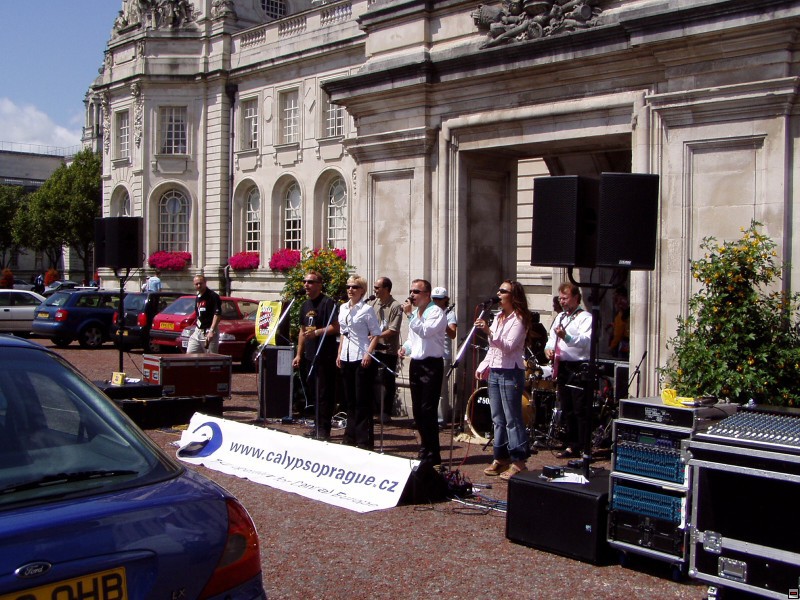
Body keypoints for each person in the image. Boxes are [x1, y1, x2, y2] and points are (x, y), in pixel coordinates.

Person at [475, 280, 533, 480]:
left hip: (511, 371)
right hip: (496, 370)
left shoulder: (519, 319)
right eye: (498, 291)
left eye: (503, 291)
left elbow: (508, 346)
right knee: (497, 417)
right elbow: (493, 348)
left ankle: (519, 461)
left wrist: (488, 331)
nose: (498, 294)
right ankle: (500, 457)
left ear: (513, 296)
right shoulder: (498, 316)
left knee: (512, 418)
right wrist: (484, 365)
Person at [399, 279, 447, 468]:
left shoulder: (436, 312)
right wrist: (405, 348)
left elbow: (425, 331)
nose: (412, 295)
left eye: (416, 292)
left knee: (428, 409)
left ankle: (433, 453)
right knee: (418, 410)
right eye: (411, 291)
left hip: (431, 365)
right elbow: (413, 338)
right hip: (416, 364)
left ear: (427, 294)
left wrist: (409, 315)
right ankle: (424, 447)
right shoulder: (417, 313)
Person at [544, 282, 593, 460]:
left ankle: (584, 446)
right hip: (563, 366)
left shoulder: (585, 317)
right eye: (560, 298)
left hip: (579, 367)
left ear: (576, 298)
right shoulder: (560, 317)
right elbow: (551, 338)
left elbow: (586, 342)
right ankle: (571, 444)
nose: (562, 301)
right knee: (567, 407)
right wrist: (548, 349)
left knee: (580, 408)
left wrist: (567, 337)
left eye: (565, 298)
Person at [292, 270, 340, 441]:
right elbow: (302, 330)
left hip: (325, 355)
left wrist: (318, 332)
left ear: (319, 285)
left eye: (310, 282)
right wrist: (299, 354)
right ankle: (316, 426)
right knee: (313, 393)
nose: (306, 285)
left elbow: (336, 327)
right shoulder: (305, 305)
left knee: (324, 394)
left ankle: (324, 430)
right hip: (310, 356)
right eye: (305, 282)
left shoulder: (327, 303)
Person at [337, 275, 382, 450]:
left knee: (362, 399)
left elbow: (376, 333)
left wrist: (368, 354)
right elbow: (343, 332)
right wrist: (339, 353)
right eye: (348, 286)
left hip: (361, 356)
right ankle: (350, 436)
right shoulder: (343, 308)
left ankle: (364, 439)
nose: (350, 290)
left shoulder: (366, 310)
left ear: (362, 290)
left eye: (354, 287)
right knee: (349, 400)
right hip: (346, 356)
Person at [368, 277, 403, 423]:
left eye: (377, 287)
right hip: (372, 349)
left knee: (387, 382)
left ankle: (386, 412)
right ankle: (372, 411)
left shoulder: (395, 306)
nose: (375, 290)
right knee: (369, 379)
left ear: (386, 288)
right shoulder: (372, 304)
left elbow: (393, 329)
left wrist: (376, 336)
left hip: (388, 350)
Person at [431, 287, 457, 428]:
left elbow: (453, 334)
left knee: (441, 388)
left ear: (445, 299)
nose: (436, 301)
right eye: (434, 299)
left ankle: (440, 419)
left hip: (443, 354)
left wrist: (444, 323)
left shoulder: (450, 314)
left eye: (439, 299)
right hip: (430, 353)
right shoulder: (430, 312)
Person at [186, 275, 222, 354]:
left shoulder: (213, 296)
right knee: (190, 354)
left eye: (200, 283)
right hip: (198, 331)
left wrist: (211, 331)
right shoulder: (198, 296)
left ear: (205, 283)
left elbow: (217, 314)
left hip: (209, 331)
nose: (199, 286)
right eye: (196, 284)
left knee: (211, 357)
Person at [608, 286, 630, 359]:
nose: (618, 304)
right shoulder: (621, 315)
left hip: (624, 347)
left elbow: (618, 335)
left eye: (620, 300)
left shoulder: (621, 315)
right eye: (616, 301)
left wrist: (611, 347)